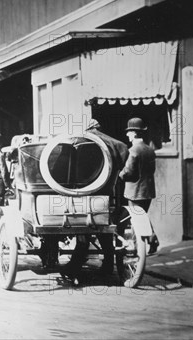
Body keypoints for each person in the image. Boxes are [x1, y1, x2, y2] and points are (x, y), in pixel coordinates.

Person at [60, 119, 130, 279]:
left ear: (87, 129)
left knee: (82, 229)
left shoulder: (80, 142)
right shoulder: (116, 144)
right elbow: (124, 153)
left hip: (84, 193)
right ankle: (107, 265)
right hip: (107, 194)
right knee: (104, 228)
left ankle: (75, 265)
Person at [119, 117, 159, 255]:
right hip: (148, 190)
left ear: (134, 133)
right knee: (143, 216)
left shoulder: (133, 150)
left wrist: (120, 175)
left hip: (134, 191)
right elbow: (152, 170)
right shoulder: (150, 150)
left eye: (129, 132)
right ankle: (152, 239)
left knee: (136, 220)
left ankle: (138, 249)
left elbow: (128, 172)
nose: (127, 135)